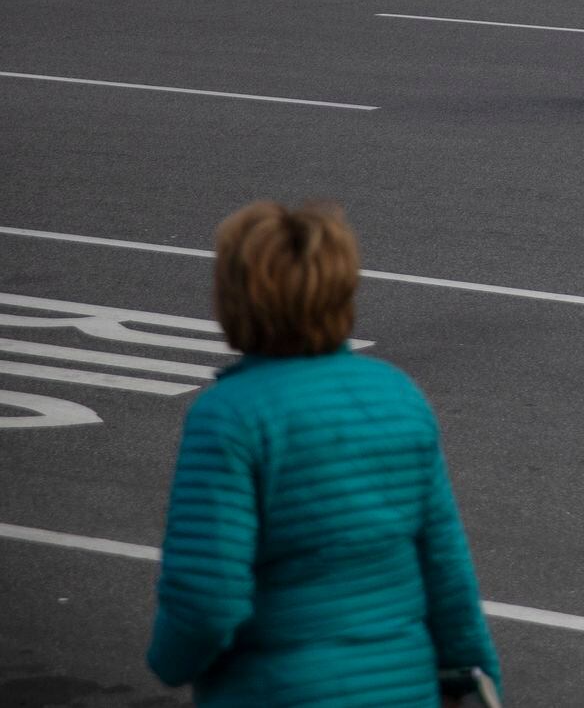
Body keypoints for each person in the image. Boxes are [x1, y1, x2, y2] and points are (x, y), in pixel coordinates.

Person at [146, 201, 501, 707]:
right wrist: (474, 676)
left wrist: (169, 662)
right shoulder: (397, 395)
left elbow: (207, 600)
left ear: (237, 297)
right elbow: (446, 572)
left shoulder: (230, 416)